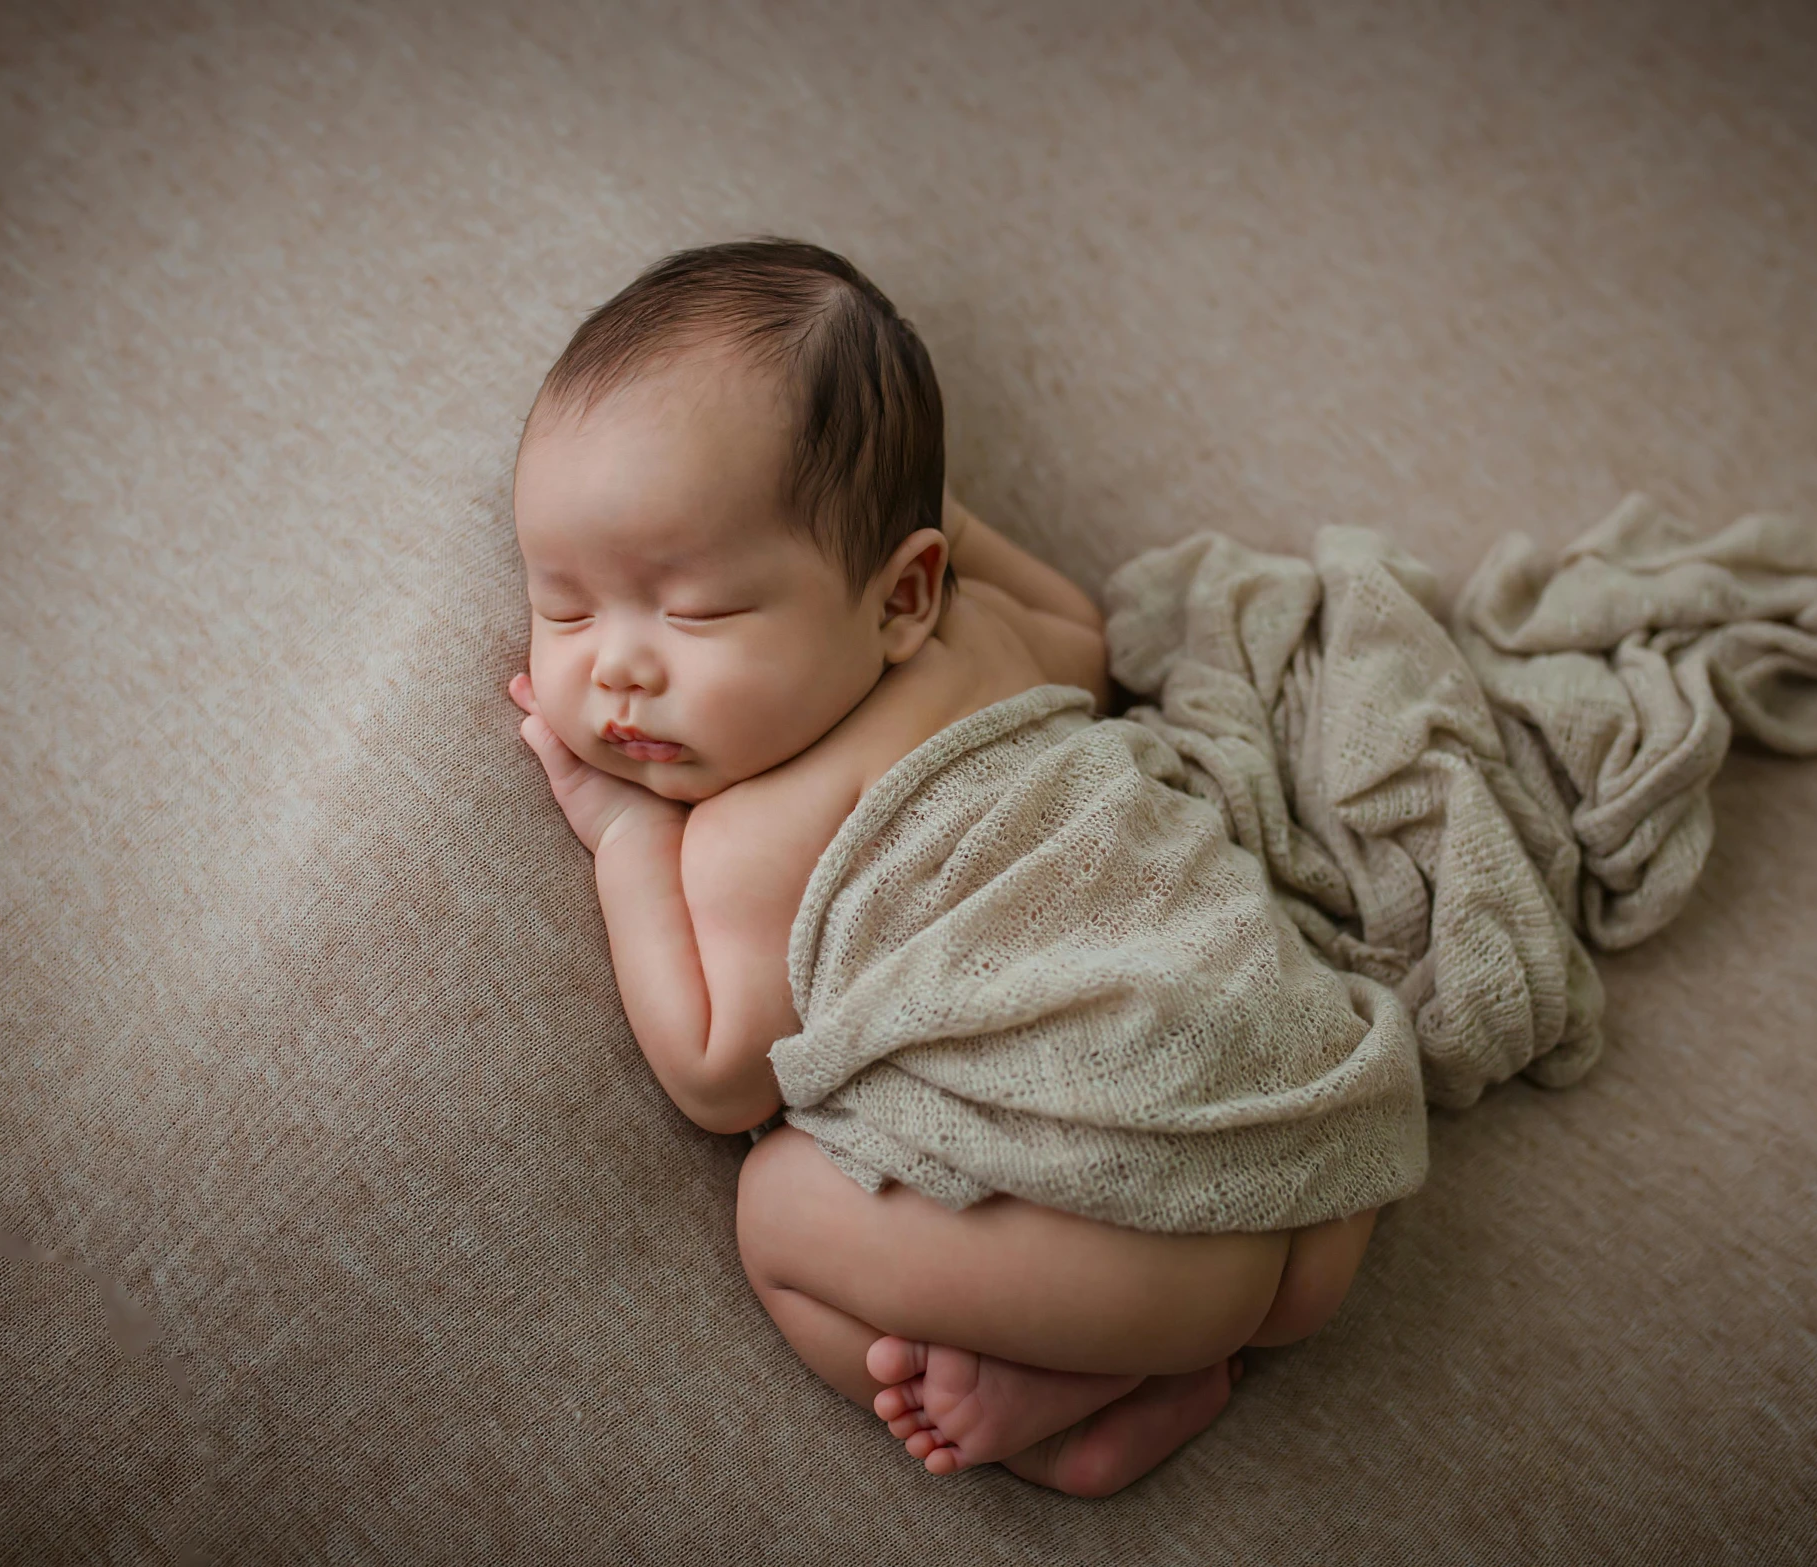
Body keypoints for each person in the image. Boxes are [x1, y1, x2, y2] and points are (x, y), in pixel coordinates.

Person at [507, 239, 1377, 1497]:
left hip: (1147, 1242)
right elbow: (1088, 636)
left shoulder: (754, 833)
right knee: (1255, 1276)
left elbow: (715, 1072)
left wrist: (631, 839)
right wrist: (954, 524)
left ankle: (1066, 1398)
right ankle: (1136, 1356)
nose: (617, 671)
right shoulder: (992, 637)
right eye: (567, 608)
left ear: (898, 594)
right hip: (1311, 1119)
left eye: (693, 613)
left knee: (775, 1212)